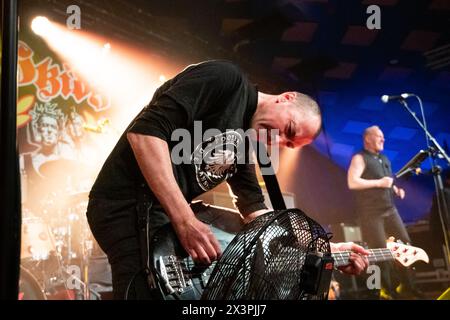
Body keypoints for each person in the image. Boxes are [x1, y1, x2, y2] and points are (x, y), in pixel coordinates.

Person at [87, 60, 369, 300]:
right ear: (286, 97)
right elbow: (145, 134)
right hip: (123, 206)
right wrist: (186, 221)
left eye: (289, 143)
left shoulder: (250, 144)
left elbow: (256, 214)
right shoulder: (226, 79)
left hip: (163, 218)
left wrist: (322, 249)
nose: (279, 139)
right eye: (289, 128)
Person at [347, 125, 422, 299]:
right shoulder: (359, 158)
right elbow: (353, 182)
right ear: (367, 139)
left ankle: (409, 286)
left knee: (406, 245)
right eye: (379, 136)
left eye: (383, 136)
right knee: (381, 252)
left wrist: (395, 189)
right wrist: (380, 183)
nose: (383, 139)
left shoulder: (384, 158)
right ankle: (388, 291)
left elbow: (386, 181)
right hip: (371, 213)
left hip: (390, 209)